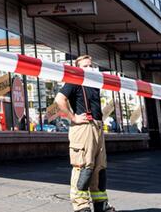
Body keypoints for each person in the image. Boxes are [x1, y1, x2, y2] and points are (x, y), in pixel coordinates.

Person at [55, 54, 115, 212]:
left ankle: (101, 204)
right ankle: (81, 206)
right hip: (83, 128)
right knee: (84, 167)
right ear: (78, 69)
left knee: (99, 168)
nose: (90, 68)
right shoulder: (74, 81)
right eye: (85, 66)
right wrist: (73, 117)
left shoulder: (94, 84)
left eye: (90, 65)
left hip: (97, 126)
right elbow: (59, 99)